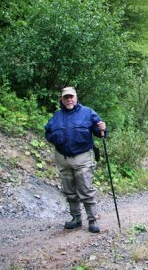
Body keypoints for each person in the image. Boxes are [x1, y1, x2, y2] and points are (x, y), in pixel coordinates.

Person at [45, 87, 106, 233]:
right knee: (69, 191)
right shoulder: (56, 116)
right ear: (62, 99)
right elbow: (48, 133)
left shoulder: (88, 112)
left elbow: (99, 132)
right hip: (62, 158)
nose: (69, 100)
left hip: (83, 158)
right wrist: (55, 137)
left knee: (86, 190)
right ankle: (76, 219)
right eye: (66, 97)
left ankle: (92, 220)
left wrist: (103, 128)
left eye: (71, 97)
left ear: (76, 97)